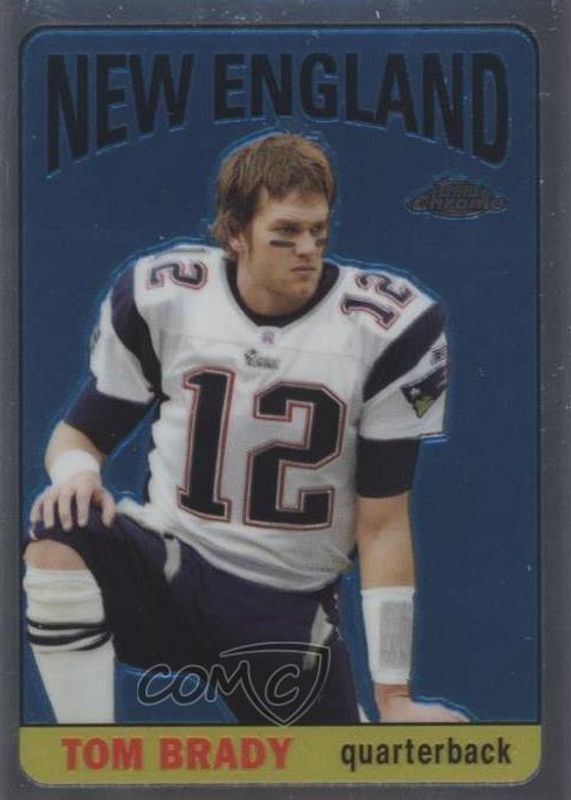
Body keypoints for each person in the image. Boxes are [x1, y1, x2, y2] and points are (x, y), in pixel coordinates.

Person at [24, 133, 467, 725]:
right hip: (175, 571)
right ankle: (85, 749)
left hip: (286, 608)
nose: (307, 249)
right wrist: (78, 474)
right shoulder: (168, 299)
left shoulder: (387, 329)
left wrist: (395, 696)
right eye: (285, 233)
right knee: (60, 526)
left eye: (318, 231)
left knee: (334, 766)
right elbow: (77, 434)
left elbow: (383, 522)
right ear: (235, 233)